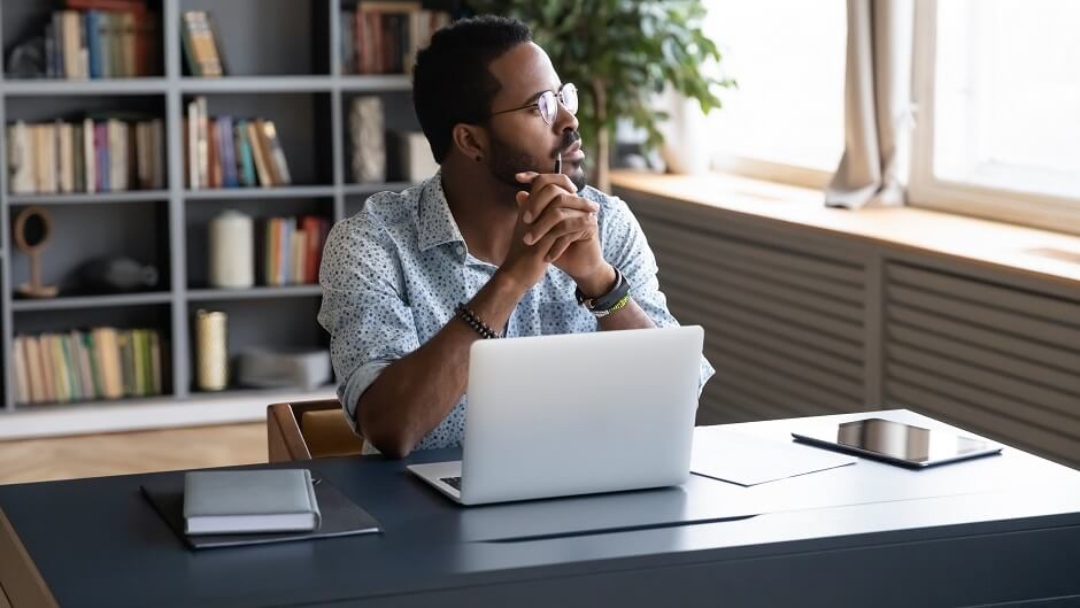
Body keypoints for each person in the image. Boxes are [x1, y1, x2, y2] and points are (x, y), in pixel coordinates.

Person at [318, 15, 714, 458]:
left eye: (565, 98)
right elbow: (393, 428)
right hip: (428, 513)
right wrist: (511, 280)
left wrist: (601, 283)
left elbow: (681, 400)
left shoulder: (608, 223)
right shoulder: (372, 243)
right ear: (471, 141)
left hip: (591, 501)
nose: (568, 120)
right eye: (539, 107)